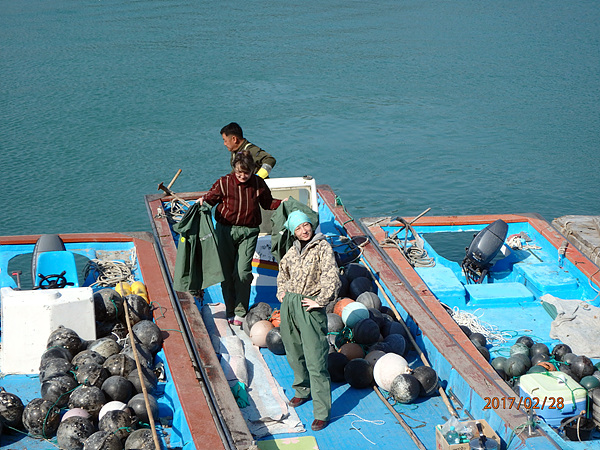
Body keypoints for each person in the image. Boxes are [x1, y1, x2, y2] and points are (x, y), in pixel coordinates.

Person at [199, 150, 283, 325]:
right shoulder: (224, 183)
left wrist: (284, 204)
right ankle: (230, 309)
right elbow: (209, 200)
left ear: (252, 170)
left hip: (249, 232)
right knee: (227, 273)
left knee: (243, 273)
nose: (242, 176)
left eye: (246, 172)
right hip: (225, 231)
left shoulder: (258, 184)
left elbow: (268, 203)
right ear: (234, 169)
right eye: (239, 172)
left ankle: (240, 310)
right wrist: (202, 203)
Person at [276, 210, 341, 432]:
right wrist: (281, 293)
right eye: (298, 228)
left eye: (306, 225)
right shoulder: (292, 250)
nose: (304, 231)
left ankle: (322, 411)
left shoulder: (322, 247)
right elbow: (282, 272)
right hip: (290, 305)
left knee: (316, 359)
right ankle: (302, 390)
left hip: (309, 304)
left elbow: (331, 276)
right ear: (293, 231)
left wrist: (321, 301)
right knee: (293, 352)